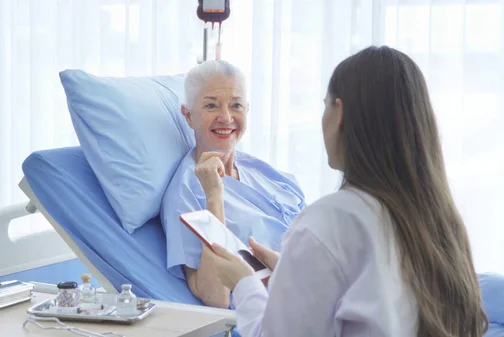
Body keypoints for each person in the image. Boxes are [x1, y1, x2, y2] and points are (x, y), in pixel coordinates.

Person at [206, 46, 489, 336]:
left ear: (339, 112)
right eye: (211, 105)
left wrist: (244, 284)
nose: (226, 117)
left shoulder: (330, 220)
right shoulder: (439, 219)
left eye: (324, 104)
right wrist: (296, 275)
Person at [160, 60, 306, 309]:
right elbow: (215, 296)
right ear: (188, 116)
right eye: (211, 105)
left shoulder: (266, 173)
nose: (226, 117)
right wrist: (214, 197)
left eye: (236, 105)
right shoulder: (186, 193)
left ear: (247, 110)